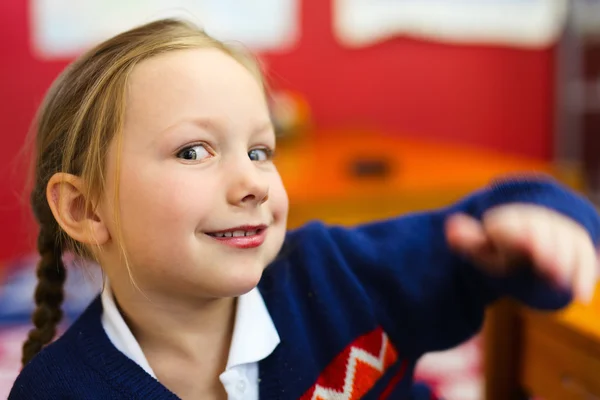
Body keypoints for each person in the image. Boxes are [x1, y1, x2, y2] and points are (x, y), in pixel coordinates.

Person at [8, 18, 600, 400]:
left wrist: (540, 229)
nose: (253, 183)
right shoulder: (58, 391)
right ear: (84, 209)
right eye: (194, 151)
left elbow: (487, 235)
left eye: (260, 150)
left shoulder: (337, 273)